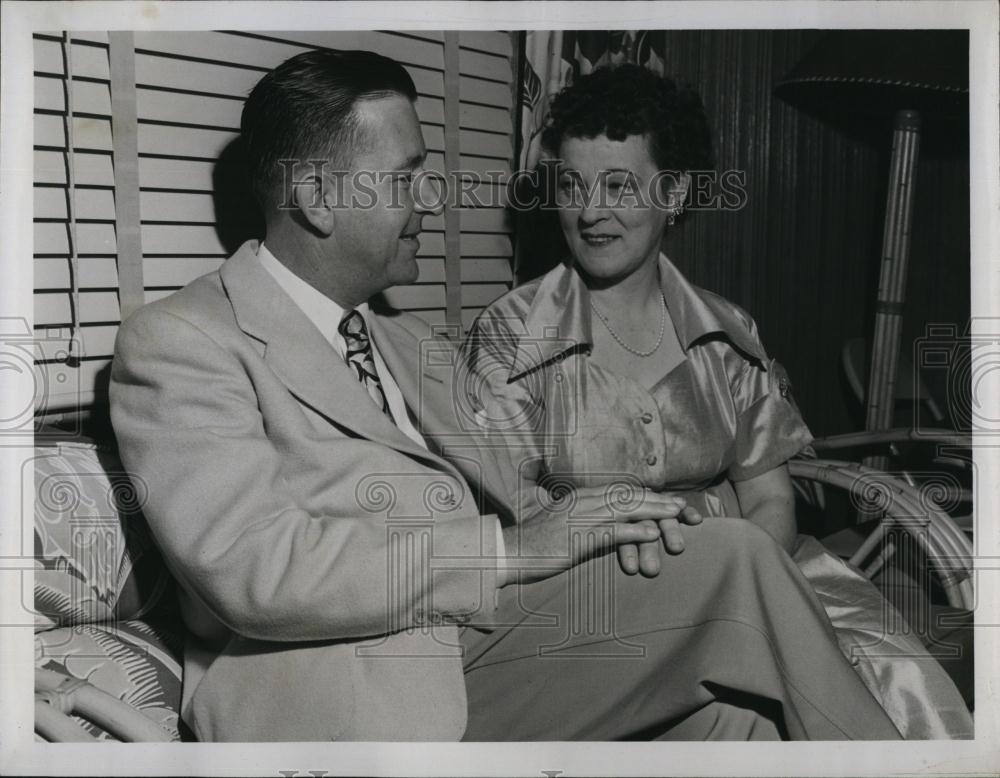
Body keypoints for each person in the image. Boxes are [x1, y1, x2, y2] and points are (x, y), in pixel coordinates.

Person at [110, 49, 903, 742]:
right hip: (351, 685)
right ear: (319, 199)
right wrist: (506, 551)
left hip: (486, 640)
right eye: (407, 179)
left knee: (735, 719)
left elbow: (525, 494)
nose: (432, 201)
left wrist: (603, 532)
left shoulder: (406, 341)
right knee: (735, 560)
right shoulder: (181, 341)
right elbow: (254, 569)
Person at [460, 63, 973, 739]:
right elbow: (511, 519)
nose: (589, 211)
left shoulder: (729, 333)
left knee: (890, 681)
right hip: (594, 602)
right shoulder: (509, 334)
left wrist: (733, 580)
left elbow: (769, 500)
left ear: (673, 193)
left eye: (618, 185)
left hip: (757, 574)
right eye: (573, 185)